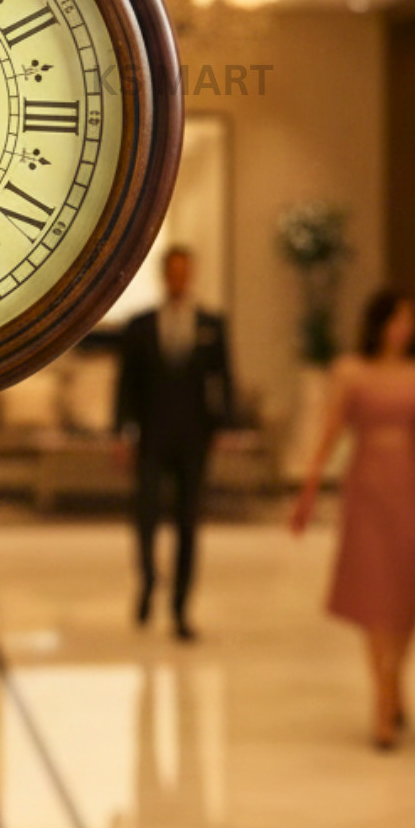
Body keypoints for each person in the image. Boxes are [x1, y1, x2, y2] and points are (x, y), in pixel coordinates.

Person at [290, 289, 415, 750]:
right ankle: (382, 699)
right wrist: (308, 491)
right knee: (376, 592)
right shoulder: (351, 371)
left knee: (406, 592)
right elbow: (330, 430)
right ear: (377, 323)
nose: (404, 329)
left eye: (410, 320)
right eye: (396, 319)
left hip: (412, 487)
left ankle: (395, 679)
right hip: (368, 489)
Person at [97, 245, 235, 639]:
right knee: (145, 517)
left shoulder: (211, 324)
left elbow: (224, 379)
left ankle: (180, 607)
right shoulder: (140, 326)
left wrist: (223, 426)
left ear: (190, 275)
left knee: (189, 522)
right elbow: (126, 383)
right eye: (172, 271)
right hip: (152, 436)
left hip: (194, 437)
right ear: (163, 275)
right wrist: (122, 432)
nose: (178, 278)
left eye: (184, 271)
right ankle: (148, 582)